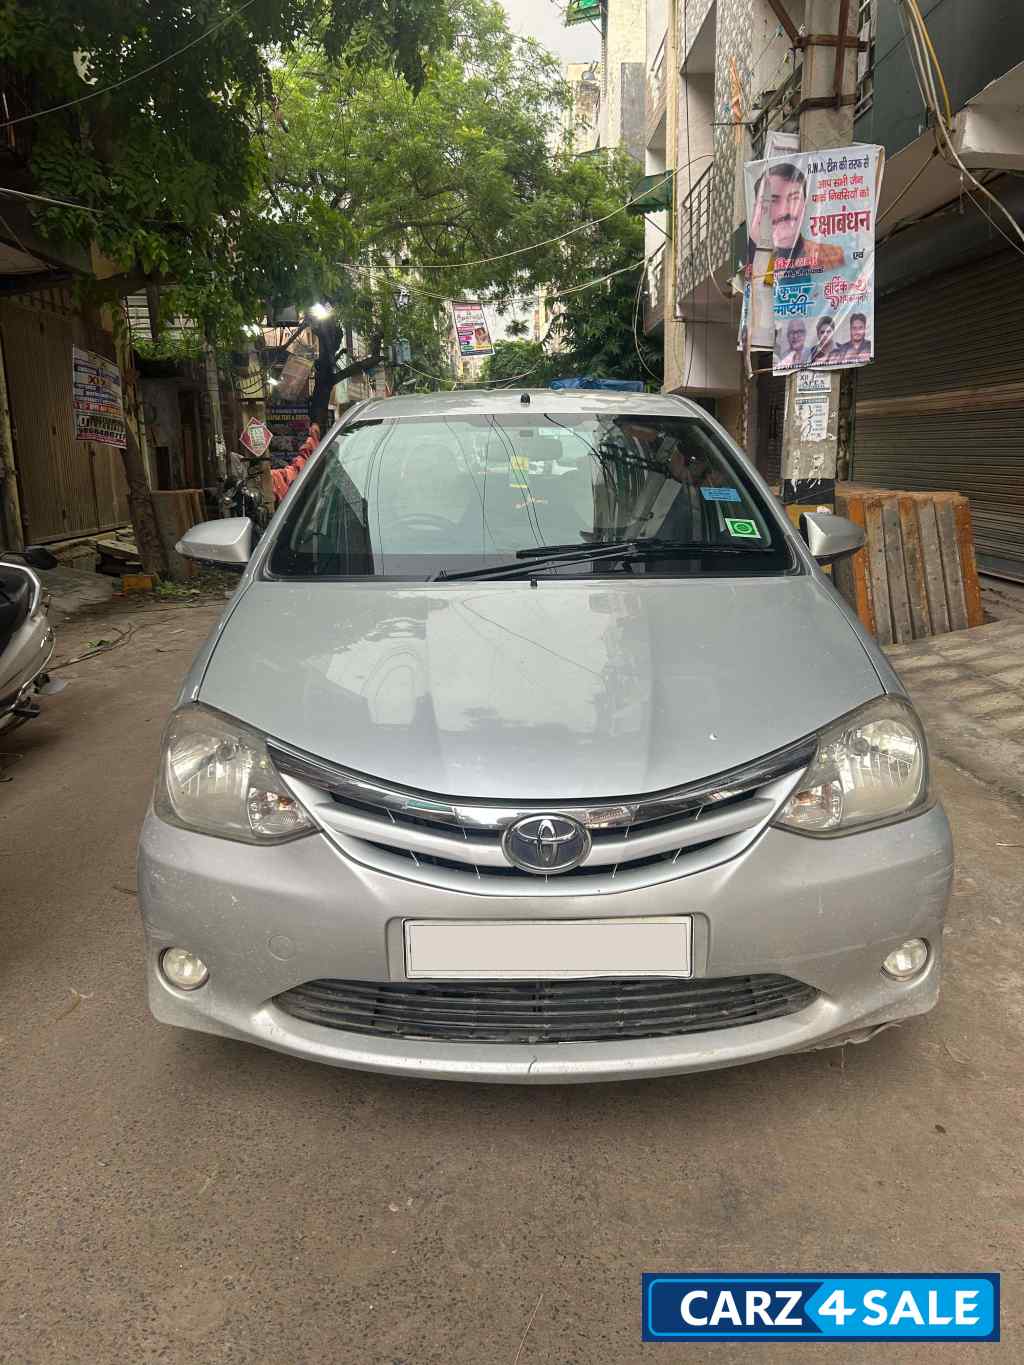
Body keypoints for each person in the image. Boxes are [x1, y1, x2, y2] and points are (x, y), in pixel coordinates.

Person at [765, 163, 846, 273]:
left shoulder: (831, 257)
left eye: (794, 199)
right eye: (774, 201)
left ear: (805, 205)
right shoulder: (757, 267)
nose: (784, 211)